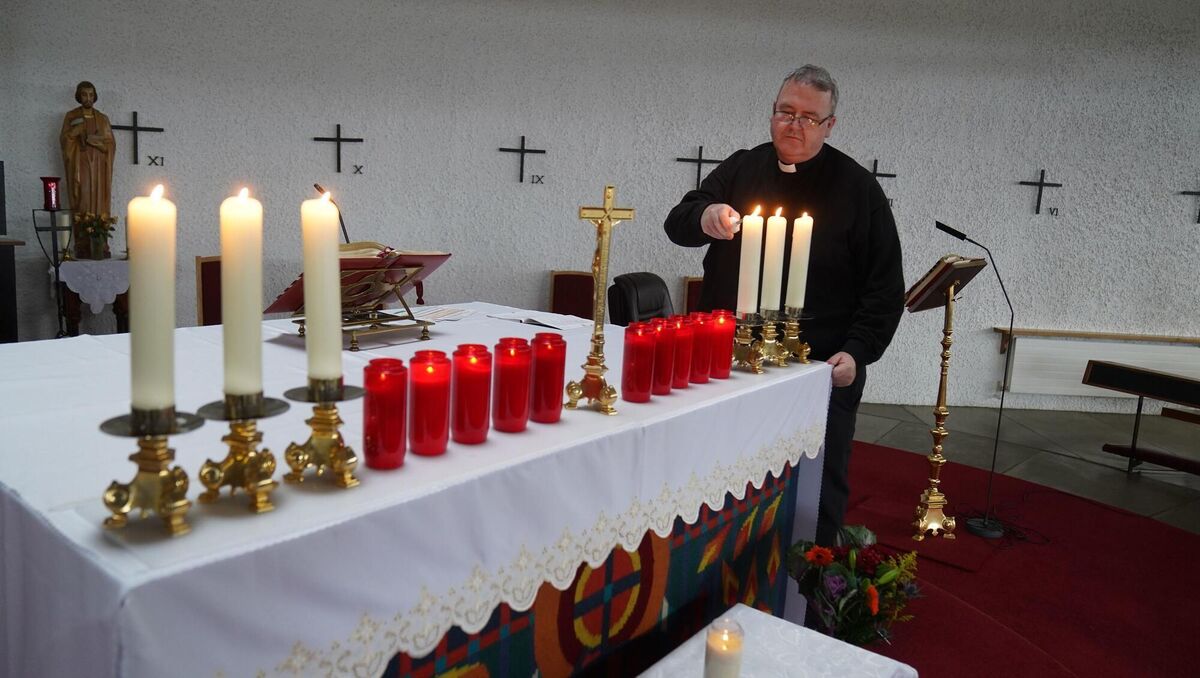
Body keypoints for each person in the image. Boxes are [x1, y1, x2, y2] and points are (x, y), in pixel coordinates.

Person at [664, 65, 904, 547]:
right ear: (771, 113)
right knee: (723, 467)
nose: (794, 125)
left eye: (809, 118)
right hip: (730, 356)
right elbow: (678, 222)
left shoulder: (858, 189)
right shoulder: (742, 168)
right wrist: (705, 215)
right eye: (785, 112)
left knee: (817, 479)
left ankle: (814, 581)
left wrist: (857, 352)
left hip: (819, 360)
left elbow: (884, 286)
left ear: (830, 124)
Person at [60, 80, 115, 258]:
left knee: (99, 202)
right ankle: (83, 244)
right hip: (80, 165)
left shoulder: (102, 118)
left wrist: (92, 140)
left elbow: (110, 144)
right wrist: (75, 132)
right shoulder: (71, 116)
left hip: (99, 167)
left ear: (95, 96)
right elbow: (65, 141)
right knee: (82, 198)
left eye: (91, 94)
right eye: (84, 94)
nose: (88, 98)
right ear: (78, 96)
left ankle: (100, 242)